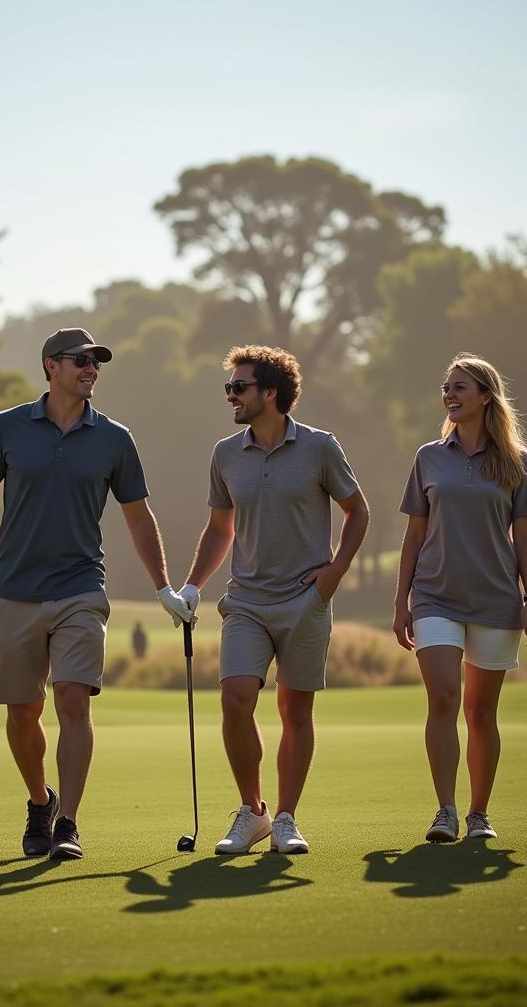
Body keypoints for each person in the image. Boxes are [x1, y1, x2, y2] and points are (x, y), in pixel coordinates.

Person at [0, 328, 192, 861]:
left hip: (81, 587)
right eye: (81, 361)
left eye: (96, 362)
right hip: (15, 590)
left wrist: (163, 587)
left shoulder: (114, 438)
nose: (91, 369)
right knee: (21, 711)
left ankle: (68, 825)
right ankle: (41, 800)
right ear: (50, 366)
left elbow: (138, 516)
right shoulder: (8, 427)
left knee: (73, 699)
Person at [179, 345, 369, 854]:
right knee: (236, 697)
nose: (231, 397)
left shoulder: (320, 447)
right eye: (229, 388)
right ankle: (254, 812)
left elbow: (358, 513)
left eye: (239, 388)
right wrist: (194, 585)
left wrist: (333, 575)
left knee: (294, 710)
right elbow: (220, 528)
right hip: (246, 599)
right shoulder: (225, 453)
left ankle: (287, 817)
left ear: (271, 393)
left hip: (305, 599)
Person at [393, 352, 527, 843]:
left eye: (460, 388)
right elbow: (413, 535)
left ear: (484, 396)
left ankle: (479, 813)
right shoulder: (428, 457)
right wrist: (401, 603)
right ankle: (446, 811)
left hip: (496, 601)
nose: (450, 395)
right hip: (435, 596)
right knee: (443, 698)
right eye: (446, 388)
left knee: (480, 713)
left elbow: (523, 536)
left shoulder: (516, 462)